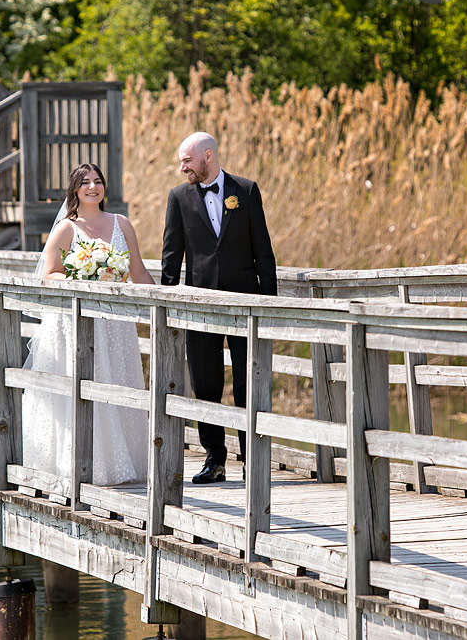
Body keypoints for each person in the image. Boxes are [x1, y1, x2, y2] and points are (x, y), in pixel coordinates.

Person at [22, 163, 155, 487]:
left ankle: (117, 465)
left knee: (114, 385)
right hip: (75, 323)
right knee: (81, 387)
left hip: (114, 326)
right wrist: (82, 278)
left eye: (98, 181)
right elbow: (50, 272)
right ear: (75, 190)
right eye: (85, 183)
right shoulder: (67, 228)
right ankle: (77, 466)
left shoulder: (121, 224)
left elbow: (136, 271)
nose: (93, 187)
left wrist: (162, 300)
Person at [160, 132, 277, 484]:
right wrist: (168, 304)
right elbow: (171, 254)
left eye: (187, 160)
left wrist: (268, 304)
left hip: (246, 304)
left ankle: (252, 460)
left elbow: (264, 250)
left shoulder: (246, 190)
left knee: (247, 382)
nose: (182, 167)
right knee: (206, 383)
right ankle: (215, 460)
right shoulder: (178, 197)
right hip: (200, 305)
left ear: (207, 156)